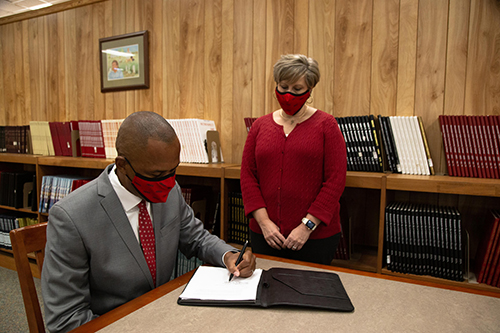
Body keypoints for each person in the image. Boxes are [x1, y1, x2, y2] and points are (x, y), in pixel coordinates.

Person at [42, 111, 256, 332]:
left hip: (165, 312)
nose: (168, 182)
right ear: (122, 165)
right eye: (156, 175)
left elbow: (197, 238)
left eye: (173, 171)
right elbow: (66, 319)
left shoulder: (171, 190)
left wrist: (228, 254)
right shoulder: (71, 217)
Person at [240, 54, 347, 265]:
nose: (288, 94)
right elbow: (248, 176)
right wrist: (264, 223)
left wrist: (307, 226)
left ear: (309, 91)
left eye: (297, 89)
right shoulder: (260, 126)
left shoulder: (327, 125)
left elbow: (335, 180)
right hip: (265, 235)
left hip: (315, 238)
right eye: (283, 86)